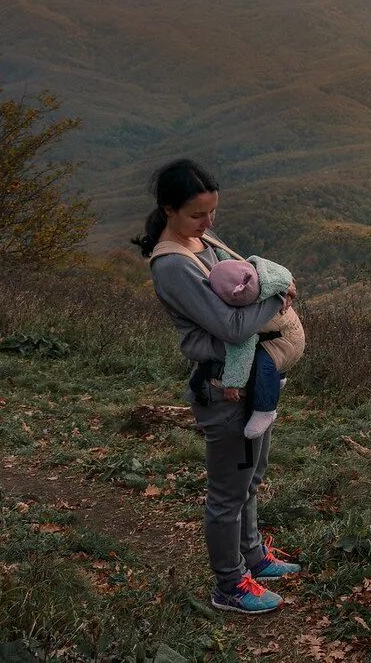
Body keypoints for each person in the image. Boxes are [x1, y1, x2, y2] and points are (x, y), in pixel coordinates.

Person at [135, 158, 305, 616]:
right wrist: (274, 296)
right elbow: (231, 327)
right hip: (222, 388)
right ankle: (229, 584)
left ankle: (252, 556)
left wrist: (269, 295)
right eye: (197, 214)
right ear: (168, 209)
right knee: (228, 492)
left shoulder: (201, 240)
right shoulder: (173, 264)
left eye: (213, 212)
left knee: (252, 478)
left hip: (251, 381)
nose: (208, 223)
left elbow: (241, 291)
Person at [206, 254, 298, 438]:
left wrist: (232, 384)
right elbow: (285, 276)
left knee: (263, 365)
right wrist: (287, 290)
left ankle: (266, 409)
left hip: (278, 347)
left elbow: (241, 349)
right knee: (271, 363)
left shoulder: (246, 312)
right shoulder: (267, 272)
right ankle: (279, 376)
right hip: (290, 338)